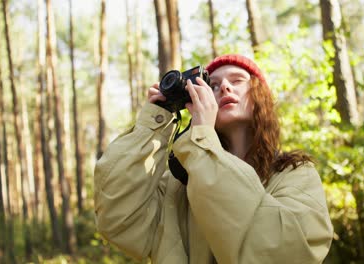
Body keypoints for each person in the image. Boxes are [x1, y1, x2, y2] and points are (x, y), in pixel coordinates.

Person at [94, 54, 333, 263]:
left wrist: (204, 144)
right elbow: (117, 219)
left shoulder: (296, 174)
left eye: (238, 80)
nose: (225, 88)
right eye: (213, 86)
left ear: (262, 95)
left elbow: (285, 254)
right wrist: (155, 122)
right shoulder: (178, 187)